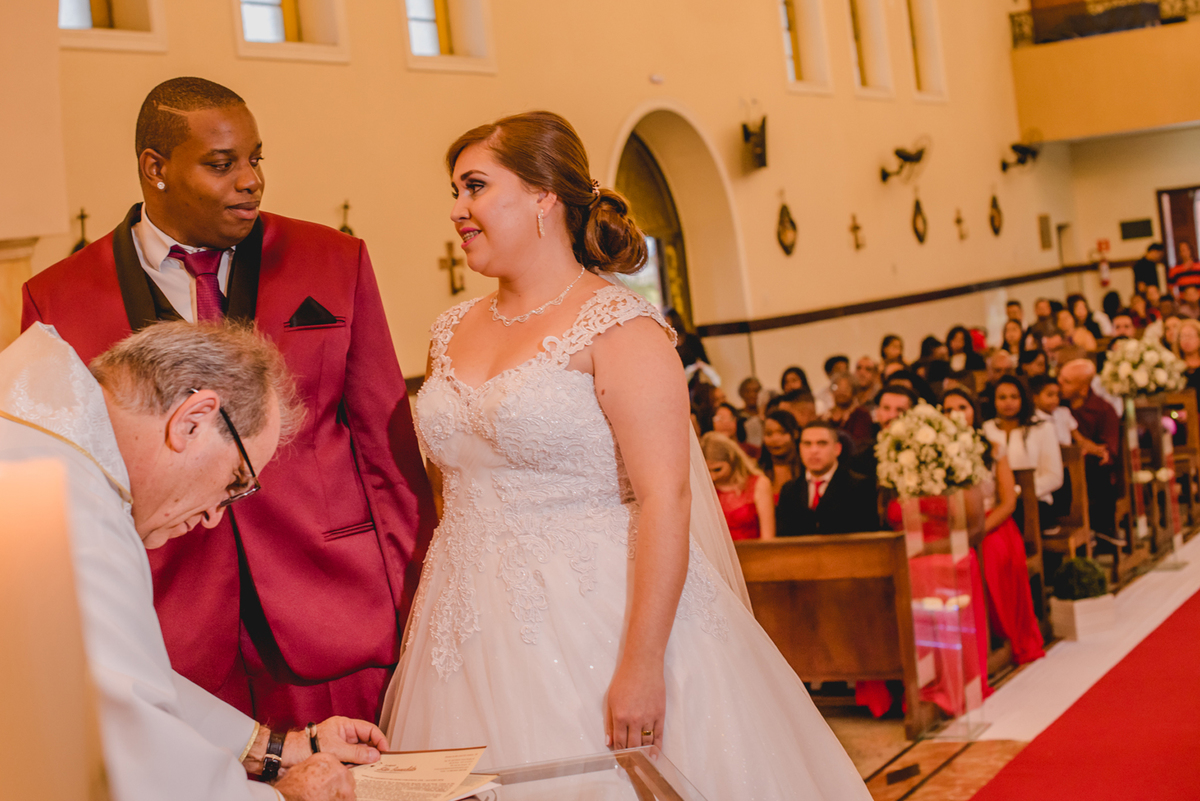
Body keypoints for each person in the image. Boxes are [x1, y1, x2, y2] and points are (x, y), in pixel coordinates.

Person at [379, 111, 869, 799]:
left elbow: (666, 497)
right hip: (461, 620)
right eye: (456, 191)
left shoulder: (620, 326)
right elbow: (446, 486)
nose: (457, 210)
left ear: (544, 195)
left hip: (599, 614)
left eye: (475, 187)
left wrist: (642, 663)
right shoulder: (448, 329)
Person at [21, 77, 436, 728]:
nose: (250, 180)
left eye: (254, 159)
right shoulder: (58, 299)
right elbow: (60, 485)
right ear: (154, 169)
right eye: (222, 164)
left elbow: (389, 454)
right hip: (172, 636)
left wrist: (419, 605)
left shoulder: (334, 260)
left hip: (334, 613)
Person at [0, 321, 390, 801]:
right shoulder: (69, 506)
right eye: (235, 482)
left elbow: (115, 674)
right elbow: (130, 750)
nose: (211, 518)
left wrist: (273, 748)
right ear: (192, 420)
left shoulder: (39, 439)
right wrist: (287, 797)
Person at [942, 389, 1045, 666]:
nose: (955, 415)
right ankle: (964, 643)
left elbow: (1009, 502)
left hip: (993, 524)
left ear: (973, 410)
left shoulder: (993, 448)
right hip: (954, 526)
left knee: (990, 555)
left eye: (961, 407)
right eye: (947, 409)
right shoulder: (934, 454)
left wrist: (978, 531)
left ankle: (1001, 633)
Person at [982, 375, 1065, 522]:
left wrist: (1018, 492)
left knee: (1009, 516)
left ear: (1023, 398)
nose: (1008, 402)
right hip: (995, 501)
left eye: (1014, 397)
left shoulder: (1042, 428)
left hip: (1034, 501)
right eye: (1002, 397)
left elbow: (1054, 476)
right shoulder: (986, 429)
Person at [1059, 359, 1122, 546]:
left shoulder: (1103, 410)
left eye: (1067, 382)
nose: (1059, 385)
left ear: (1084, 388)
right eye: (1060, 379)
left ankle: (1103, 529)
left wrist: (1089, 451)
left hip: (1091, 472)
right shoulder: (1057, 407)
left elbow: (1108, 452)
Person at [776, 421, 878, 535]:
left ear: (837, 449)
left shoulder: (860, 487)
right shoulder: (789, 490)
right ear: (800, 449)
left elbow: (868, 537)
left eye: (822, 443)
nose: (813, 451)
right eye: (807, 444)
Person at [702, 432, 775, 540]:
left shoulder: (759, 484)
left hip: (753, 553)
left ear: (732, 459)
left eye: (718, 469)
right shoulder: (705, 487)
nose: (713, 476)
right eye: (708, 471)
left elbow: (768, 537)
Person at [759, 409, 805, 498]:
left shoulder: (808, 469)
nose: (775, 439)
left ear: (795, 434)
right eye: (769, 434)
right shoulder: (757, 470)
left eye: (782, 432)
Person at [824, 370, 874, 452]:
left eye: (846, 388)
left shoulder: (861, 415)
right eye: (837, 387)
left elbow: (859, 443)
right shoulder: (825, 416)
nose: (841, 392)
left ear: (854, 391)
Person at [1029, 375, 1077, 447]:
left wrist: (1096, 449)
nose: (1055, 399)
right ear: (1035, 398)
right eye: (1050, 395)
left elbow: (1079, 439)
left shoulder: (1064, 412)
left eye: (1058, 395)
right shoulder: (1032, 419)